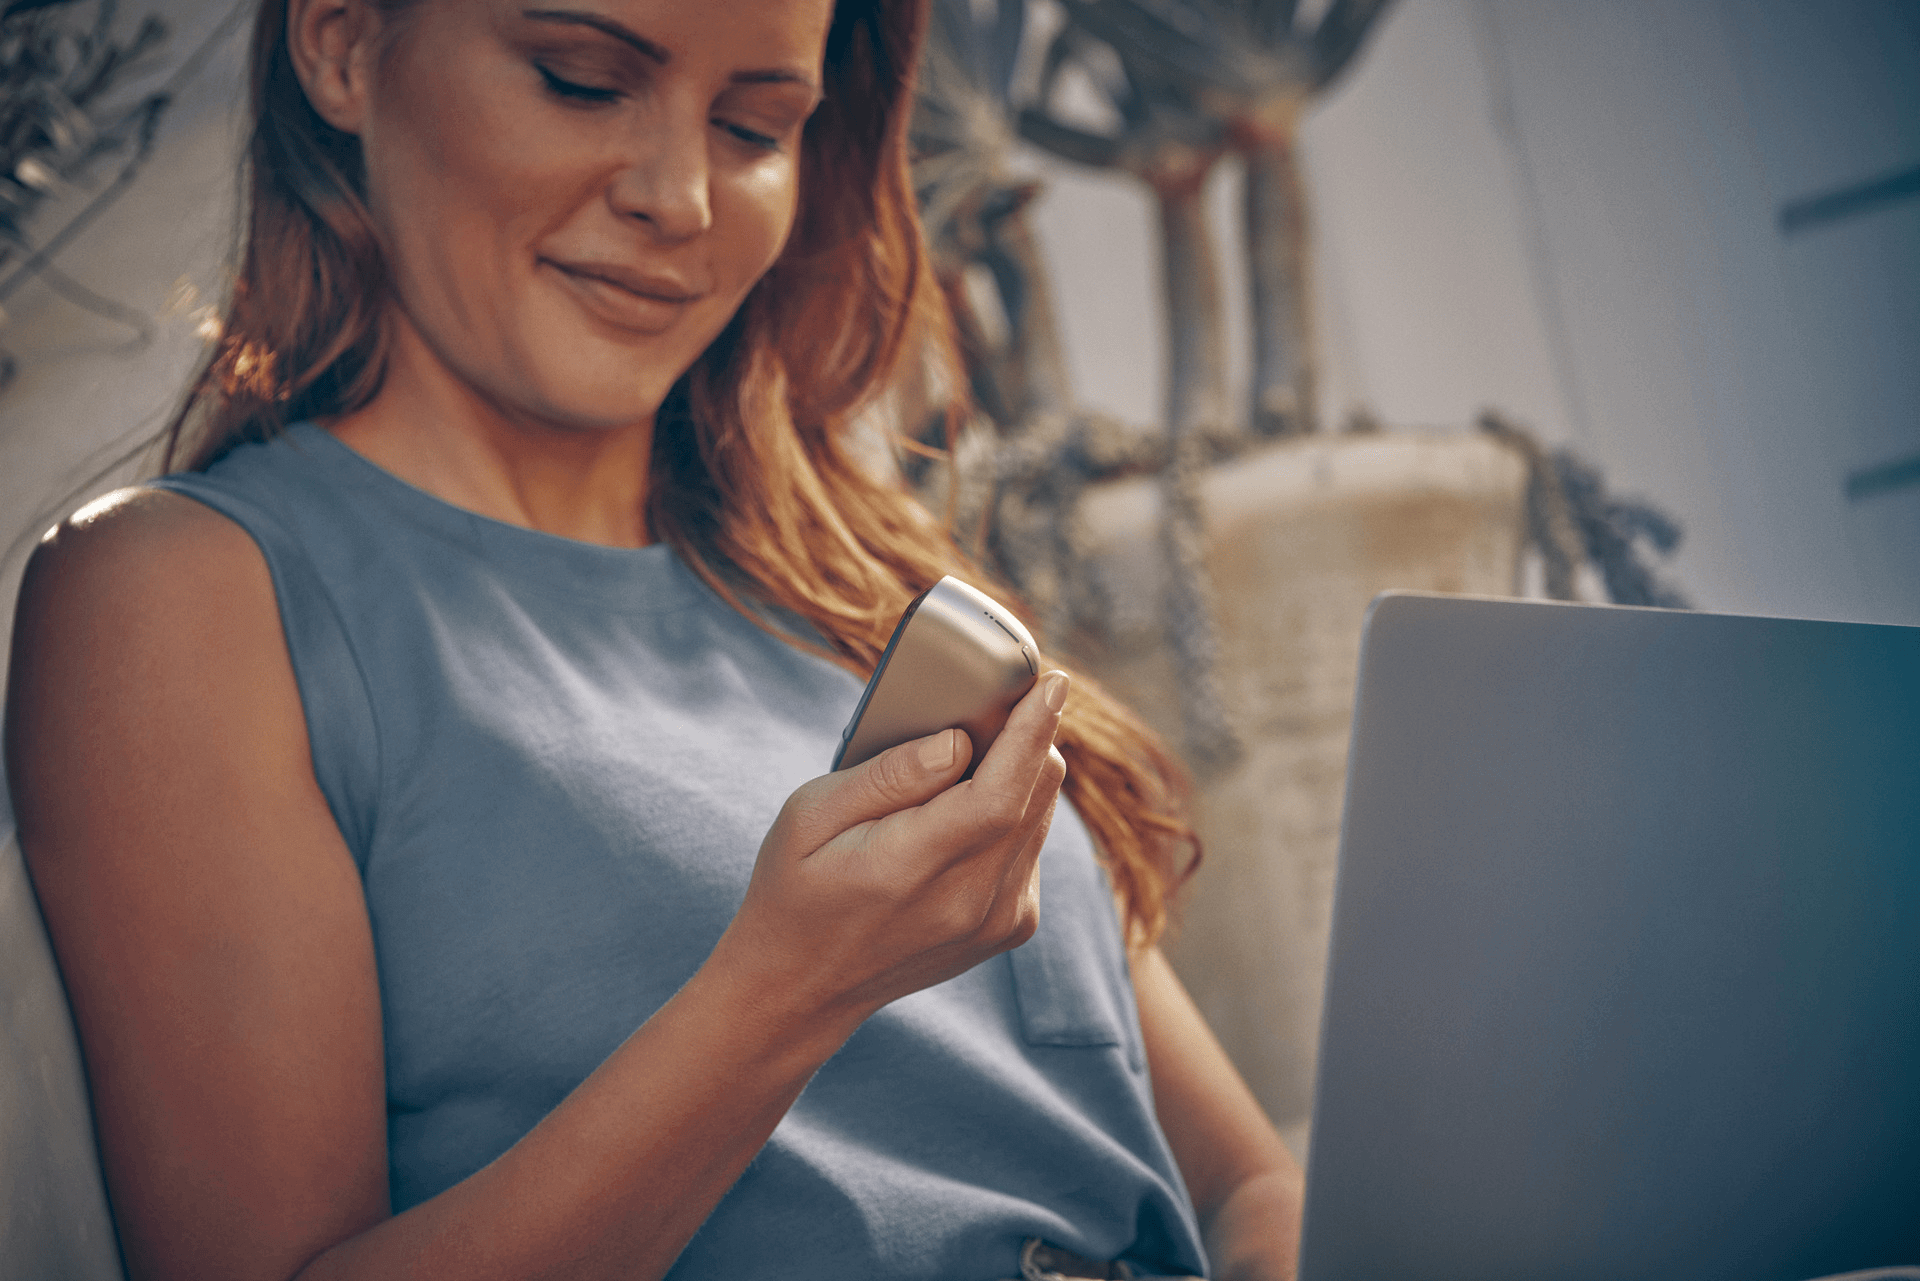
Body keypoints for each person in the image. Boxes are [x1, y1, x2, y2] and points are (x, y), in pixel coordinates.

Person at [3, 0, 1306, 1276]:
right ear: (342, 43)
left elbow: (1240, 1179)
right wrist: (787, 991)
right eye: (580, 78)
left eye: (754, 126)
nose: (680, 198)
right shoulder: (187, 596)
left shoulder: (863, 586)